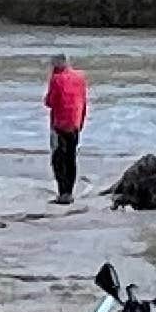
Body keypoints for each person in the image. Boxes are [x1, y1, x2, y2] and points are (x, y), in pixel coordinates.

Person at [43, 56, 89, 203]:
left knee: (58, 159)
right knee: (71, 158)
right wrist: (81, 122)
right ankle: (69, 191)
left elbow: (50, 102)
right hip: (75, 122)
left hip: (59, 124)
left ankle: (62, 192)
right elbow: (84, 101)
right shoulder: (80, 77)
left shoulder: (57, 79)